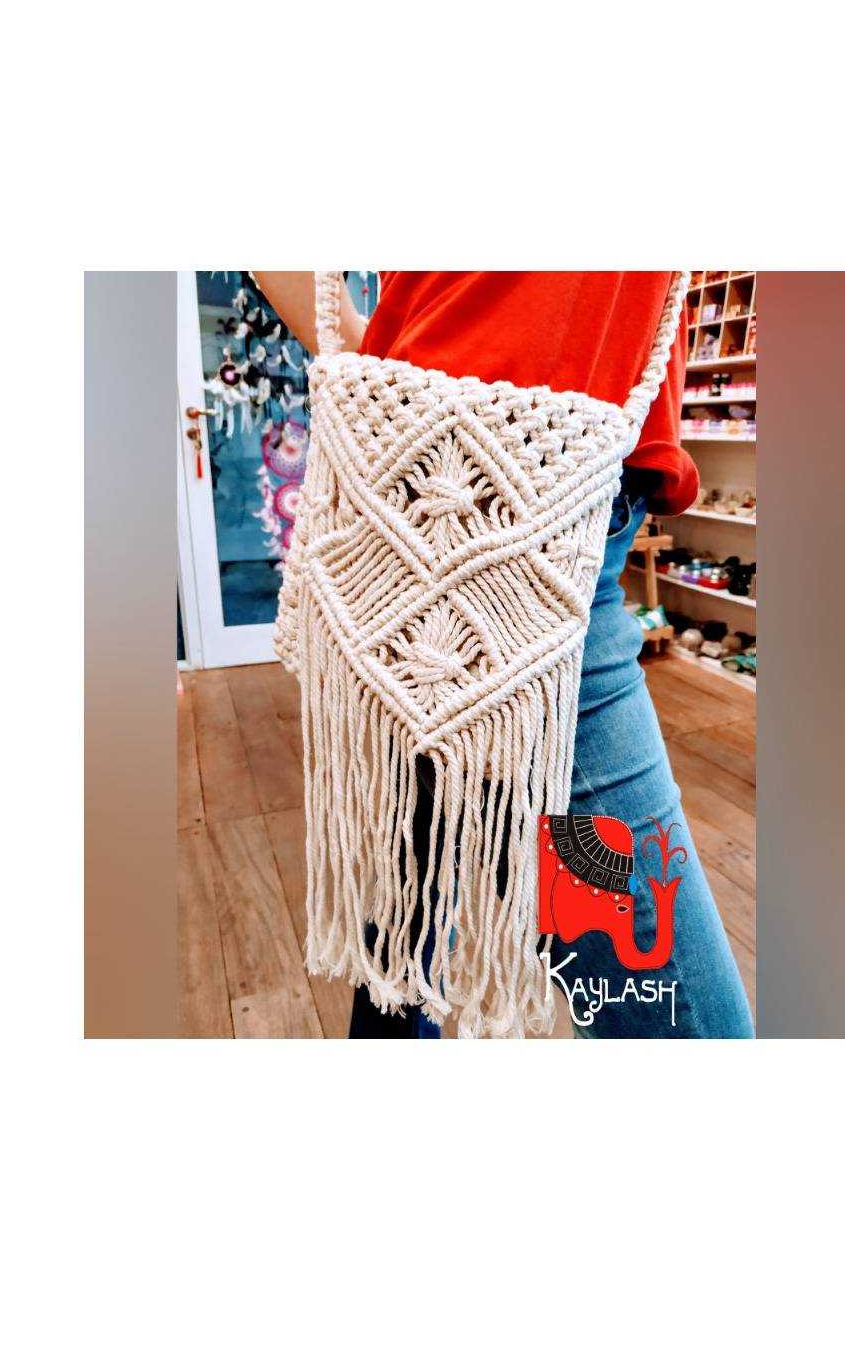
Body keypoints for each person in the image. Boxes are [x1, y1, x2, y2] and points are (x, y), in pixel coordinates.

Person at [253, 271, 754, 1038]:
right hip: (522, 521)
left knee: (413, 896)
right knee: (676, 1012)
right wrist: (359, 345)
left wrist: (367, 350)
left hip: (454, 482)